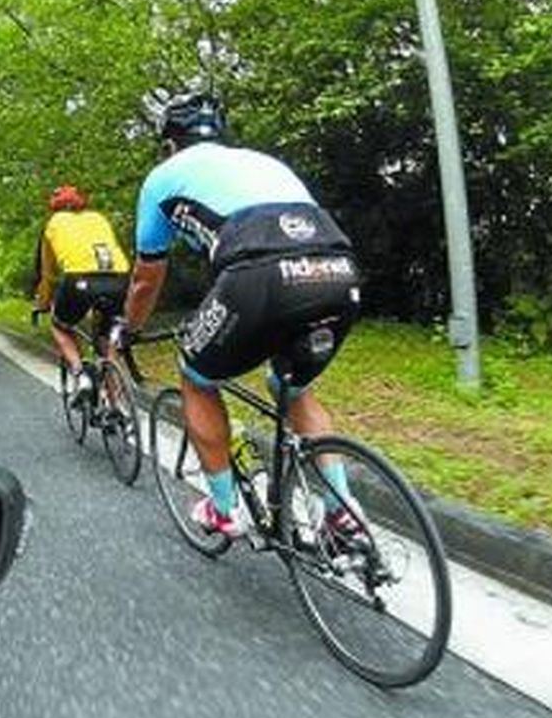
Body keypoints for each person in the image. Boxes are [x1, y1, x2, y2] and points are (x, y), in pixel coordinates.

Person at [114, 93, 362, 541]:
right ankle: (340, 512)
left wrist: (129, 329)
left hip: (261, 275)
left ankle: (224, 510)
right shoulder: (261, 161)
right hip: (338, 269)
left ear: (169, 144)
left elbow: (147, 279)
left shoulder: (161, 179)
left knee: (196, 376)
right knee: (292, 386)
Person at [31, 183, 131, 402]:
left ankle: (81, 374)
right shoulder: (98, 218)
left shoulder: (53, 224)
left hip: (79, 280)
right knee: (106, 335)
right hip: (119, 279)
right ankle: (116, 403)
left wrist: (43, 303)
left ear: (54, 208)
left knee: (60, 326)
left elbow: (48, 275)